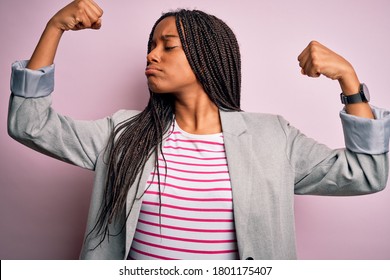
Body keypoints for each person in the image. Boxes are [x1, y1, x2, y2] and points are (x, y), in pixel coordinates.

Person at [7, 0, 390, 260]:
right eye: (150, 45)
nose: (151, 55)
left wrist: (348, 81)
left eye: (167, 46)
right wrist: (54, 27)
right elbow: (29, 124)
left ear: (206, 55)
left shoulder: (272, 138)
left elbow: (365, 174)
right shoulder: (122, 133)